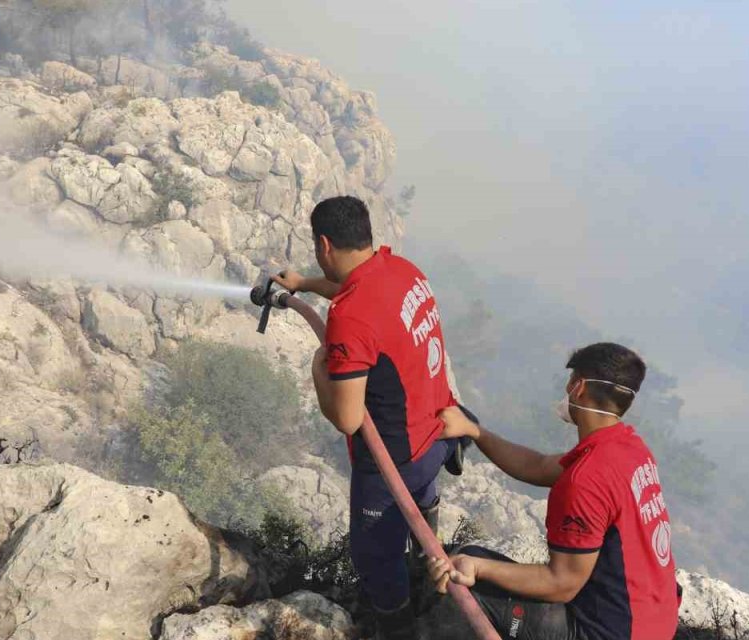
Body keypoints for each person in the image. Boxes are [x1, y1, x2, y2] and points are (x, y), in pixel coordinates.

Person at [273, 195, 462, 639]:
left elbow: (347, 417)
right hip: (442, 430)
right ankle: (424, 549)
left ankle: (398, 628)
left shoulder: (350, 315)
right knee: (417, 505)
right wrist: (303, 283)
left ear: (323, 243)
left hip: (397, 457)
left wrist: (318, 371)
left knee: (374, 554)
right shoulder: (402, 271)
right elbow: (357, 293)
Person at [427, 343, 681, 640]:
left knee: (462, 583)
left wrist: (477, 567)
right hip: (655, 623)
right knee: (469, 557)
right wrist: (475, 432)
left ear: (578, 387)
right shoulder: (629, 449)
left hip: (610, 633)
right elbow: (537, 466)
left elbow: (561, 583)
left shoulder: (585, 479)